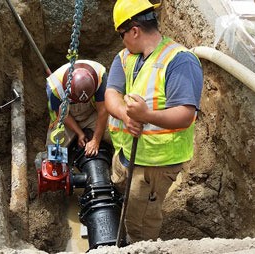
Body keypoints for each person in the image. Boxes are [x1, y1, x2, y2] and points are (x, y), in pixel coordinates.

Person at [105, 0, 204, 243]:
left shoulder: (179, 61)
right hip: (127, 153)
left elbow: (185, 114)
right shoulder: (126, 58)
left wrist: (146, 116)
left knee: (141, 222)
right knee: (127, 202)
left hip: (156, 164)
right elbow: (111, 93)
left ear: (135, 30)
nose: (122, 41)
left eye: (121, 34)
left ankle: (139, 246)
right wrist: (126, 115)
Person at [46, 59, 110, 156]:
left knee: (116, 132)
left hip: (93, 114)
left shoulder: (100, 76)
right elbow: (61, 115)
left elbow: (103, 111)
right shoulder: (54, 87)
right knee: (54, 152)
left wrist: (95, 141)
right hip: (67, 118)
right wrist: (80, 133)